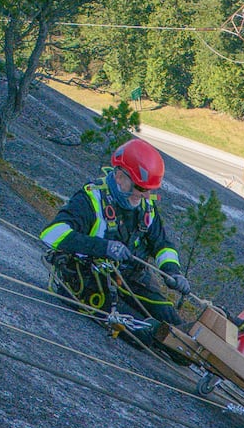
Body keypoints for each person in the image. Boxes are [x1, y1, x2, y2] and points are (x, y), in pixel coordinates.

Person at [40, 138, 191, 335]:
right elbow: (52, 234)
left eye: (149, 190)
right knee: (148, 333)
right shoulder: (91, 198)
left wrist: (173, 272)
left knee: (176, 328)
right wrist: (104, 247)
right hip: (91, 279)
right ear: (120, 177)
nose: (146, 195)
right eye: (142, 188)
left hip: (131, 279)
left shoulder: (145, 206)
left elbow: (162, 245)